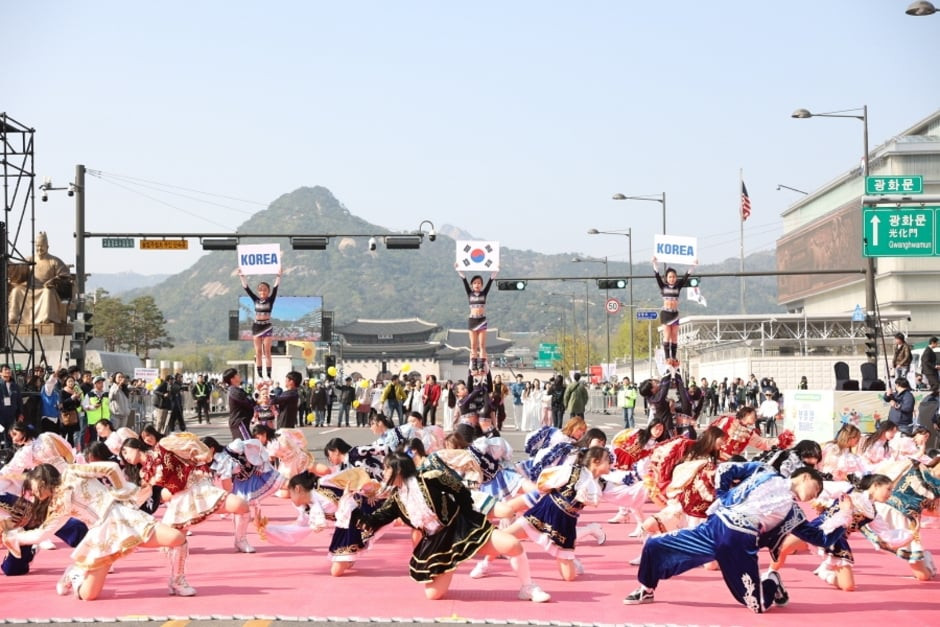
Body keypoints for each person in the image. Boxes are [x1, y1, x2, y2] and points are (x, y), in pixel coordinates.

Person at [623, 462, 845, 612]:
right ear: (805, 476)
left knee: (757, 604)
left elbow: (820, 538)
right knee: (656, 544)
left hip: (740, 546)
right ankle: (646, 589)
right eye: (816, 488)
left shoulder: (794, 514)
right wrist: (722, 496)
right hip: (714, 529)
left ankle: (771, 581)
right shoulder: (763, 471)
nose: (815, 495)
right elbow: (727, 468)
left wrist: (843, 516)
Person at [354, 451, 551, 603]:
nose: (383, 472)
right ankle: (455, 561)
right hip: (438, 544)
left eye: (386, 468)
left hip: (461, 527)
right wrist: (357, 513)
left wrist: (469, 516)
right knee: (433, 595)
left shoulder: (431, 477)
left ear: (398, 469)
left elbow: (460, 489)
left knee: (512, 544)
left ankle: (528, 587)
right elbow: (378, 518)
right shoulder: (396, 499)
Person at [1, 462, 195, 599]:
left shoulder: (73, 471)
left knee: (176, 538)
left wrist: (122, 493)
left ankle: (177, 581)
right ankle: (74, 574)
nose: (33, 493)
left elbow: (111, 468)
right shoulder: (57, 506)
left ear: (41, 478)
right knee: (89, 596)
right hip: (102, 537)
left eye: (33, 487)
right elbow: (41, 534)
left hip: (124, 516)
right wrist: (15, 538)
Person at [7, 231, 71, 325]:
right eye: (37, 246)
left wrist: (53, 281)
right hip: (30, 289)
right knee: (17, 290)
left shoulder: (54, 261)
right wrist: (9, 263)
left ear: (47, 246)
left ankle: (46, 318)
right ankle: (13, 318)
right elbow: (18, 270)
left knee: (48, 292)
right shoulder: (29, 260)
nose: (39, 248)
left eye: (42, 246)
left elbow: (65, 276)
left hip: (46, 289)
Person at [651, 255, 697, 368]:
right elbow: (657, 275)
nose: (672, 278)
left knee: (675, 336)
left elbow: (687, 276)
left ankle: (674, 357)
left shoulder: (678, 286)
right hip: (666, 314)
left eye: (674, 277)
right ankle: (667, 357)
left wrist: (693, 265)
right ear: (666, 278)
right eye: (670, 277)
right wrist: (655, 263)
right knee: (667, 335)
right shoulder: (663, 286)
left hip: (675, 314)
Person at [239, 268, 281, 380]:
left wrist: (278, 276)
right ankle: (260, 373)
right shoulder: (256, 300)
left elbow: (276, 288)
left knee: (267, 351)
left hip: (267, 326)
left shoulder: (270, 300)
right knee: (258, 351)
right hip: (257, 326)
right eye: (260, 290)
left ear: (268, 291)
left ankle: (269, 373)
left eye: (265, 290)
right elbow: (246, 288)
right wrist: (242, 276)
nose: (262, 292)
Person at [456, 265, 497, 374]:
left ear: (481, 285)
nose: (477, 285)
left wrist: (495, 270)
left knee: (482, 345)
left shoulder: (484, 293)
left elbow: (491, 280)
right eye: (475, 283)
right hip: (472, 321)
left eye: (479, 283)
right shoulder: (469, 293)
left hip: (482, 320)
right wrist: (459, 270)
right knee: (473, 345)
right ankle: (474, 365)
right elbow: (464, 279)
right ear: (472, 285)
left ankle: (481, 365)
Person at [224, 367, 255, 440]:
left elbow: (251, 401)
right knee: (247, 443)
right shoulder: (234, 392)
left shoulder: (238, 390)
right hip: (239, 422)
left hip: (242, 422)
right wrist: (257, 402)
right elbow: (249, 403)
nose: (239, 376)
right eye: (237, 374)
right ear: (232, 379)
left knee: (244, 444)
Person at [0, 364, 24, 446]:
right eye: (5, 369)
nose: (8, 371)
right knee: (2, 435)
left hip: (12, 416)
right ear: (0, 373)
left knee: (11, 435)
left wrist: (20, 414)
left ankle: (9, 451)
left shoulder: (15, 386)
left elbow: (19, 401)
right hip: (1, 416)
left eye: (9, 369)